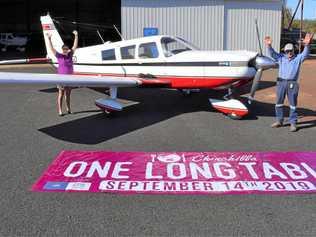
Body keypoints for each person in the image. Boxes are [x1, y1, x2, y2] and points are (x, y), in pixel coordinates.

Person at [264, 33, 314, 132]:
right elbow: (273, 54)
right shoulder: (281, 57)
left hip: (292, 84)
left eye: (291, 51)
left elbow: (305, 53)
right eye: (287, 51)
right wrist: (269, 46)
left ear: (293, 50)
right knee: (278, 103)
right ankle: (279, 120)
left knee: (293, 104)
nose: (289, 53)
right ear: (284, 51)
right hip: (281, 83)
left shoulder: (298, 58)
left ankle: (293, 123)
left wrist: (307, 45)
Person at [47, 30, 78, 116]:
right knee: (61, 94)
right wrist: (49, 39)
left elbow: (75, 46)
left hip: (70, 79)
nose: (65, 50)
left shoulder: (70, 55)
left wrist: (76, 36)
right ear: (62, 50)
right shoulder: (59, 56)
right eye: (64, 49)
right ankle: (60, 110)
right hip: (61, 79)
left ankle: (68, 109)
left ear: (68, 50)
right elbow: (51, 48)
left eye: (66, 49)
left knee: (68, 95)